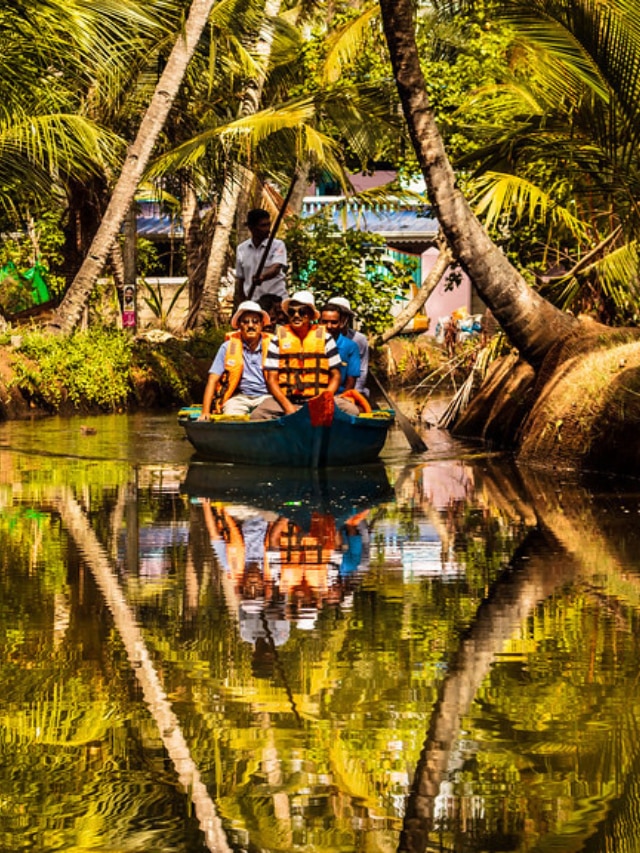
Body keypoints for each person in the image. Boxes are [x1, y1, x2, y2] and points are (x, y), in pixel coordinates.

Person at [251, 290, 359, 419]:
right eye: (292, 312)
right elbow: (271, 380)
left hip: (317, 399)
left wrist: (324, 400)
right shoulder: (277, 339)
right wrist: (288, 407)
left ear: (310, 315)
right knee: (257, 416)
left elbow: (336, 376)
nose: (296, 316)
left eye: (302, 312)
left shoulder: (326, 338)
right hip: (288, 400)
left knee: (351, 411)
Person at [199, 300, 273, 419]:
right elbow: (212, 380)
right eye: (245, 322)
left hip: (266, 396)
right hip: (239, 397)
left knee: (271, 413)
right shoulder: (227, 347)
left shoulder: (272, 346)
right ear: (239, 325)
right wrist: (205, 412)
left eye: (255, 322)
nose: (250, 326)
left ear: (261, 325)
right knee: (231, 417)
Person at [235, 208, 288, 303]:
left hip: (276, 301)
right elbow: (241, 280)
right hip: (254, 302)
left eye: (268, 225)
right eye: (263, 226)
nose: (268, 229)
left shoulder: (278, 245)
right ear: (251, 228)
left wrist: (262, 277)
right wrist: (242, 303)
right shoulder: (241, 249)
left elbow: (276, 268)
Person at [325, 296, 370, 396]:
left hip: (347, 391)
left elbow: (361, 372)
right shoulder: (319, 338)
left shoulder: (358, 340)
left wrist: (352, 396)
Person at [319, 304, 360, 393]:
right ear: (319, 322)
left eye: (334, 322)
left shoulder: (350, 346)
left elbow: (351, 381)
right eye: (324, 322)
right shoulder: (311, 343)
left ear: (341, 323)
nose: (329, 326)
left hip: (339, 397)